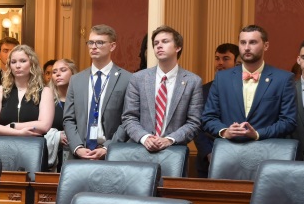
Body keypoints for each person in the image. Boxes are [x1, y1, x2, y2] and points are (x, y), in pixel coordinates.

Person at [202, 24, 297, 143]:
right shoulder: (222, 78)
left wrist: (257, 134)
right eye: (242, 42)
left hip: (267, 151)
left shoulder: (283, 79)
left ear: (266, 45)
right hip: (229, 151)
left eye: (252, 42)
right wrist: (225, 131)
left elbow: (289, 122)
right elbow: (208, 118)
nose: (246, 47)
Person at [121, 26, 204, 151]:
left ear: (178, 47)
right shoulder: (138, 78)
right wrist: (145, 138)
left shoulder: (193, 81)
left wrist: (169, 140)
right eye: (156, 43)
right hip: (139, 149)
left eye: (165, 42)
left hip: (173, 151)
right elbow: (129, 117)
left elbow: (194, 123)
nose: (159, 46)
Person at [64, 24, 132, 159]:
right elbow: (68, 119)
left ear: (112, 46)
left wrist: (108, 147)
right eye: (90, 42)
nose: (93, 47)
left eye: (100, 42)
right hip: (79, 154)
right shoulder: (76, 80)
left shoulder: (127, 79)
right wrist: (77, 147)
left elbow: (128, 120)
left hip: (112, 154)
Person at [0, 44, 55, 139]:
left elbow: (44, 125)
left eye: (23, 61)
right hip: (4, 147)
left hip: (33, 148)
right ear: (9, 65)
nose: (17, 66)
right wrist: (19, 133)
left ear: (32, 64)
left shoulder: (45, 92)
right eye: (13, 62)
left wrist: (13, 125)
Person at [195, 43, 239, 176]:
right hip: (207, 161)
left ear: (237, 63)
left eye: (226, 59)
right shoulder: (203, 90)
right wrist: (208, 152)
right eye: (217, 58)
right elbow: (197, 125)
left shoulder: (244, 90)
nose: (220, 63)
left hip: (237, 157)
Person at [48, 58, 78, 170]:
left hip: (76, 151)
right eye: (54, 72)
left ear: (73, 73)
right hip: (53, 155)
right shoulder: (47, 99)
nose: (58, 74)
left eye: (63, 70)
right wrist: (56, 137)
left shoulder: (82, 99)